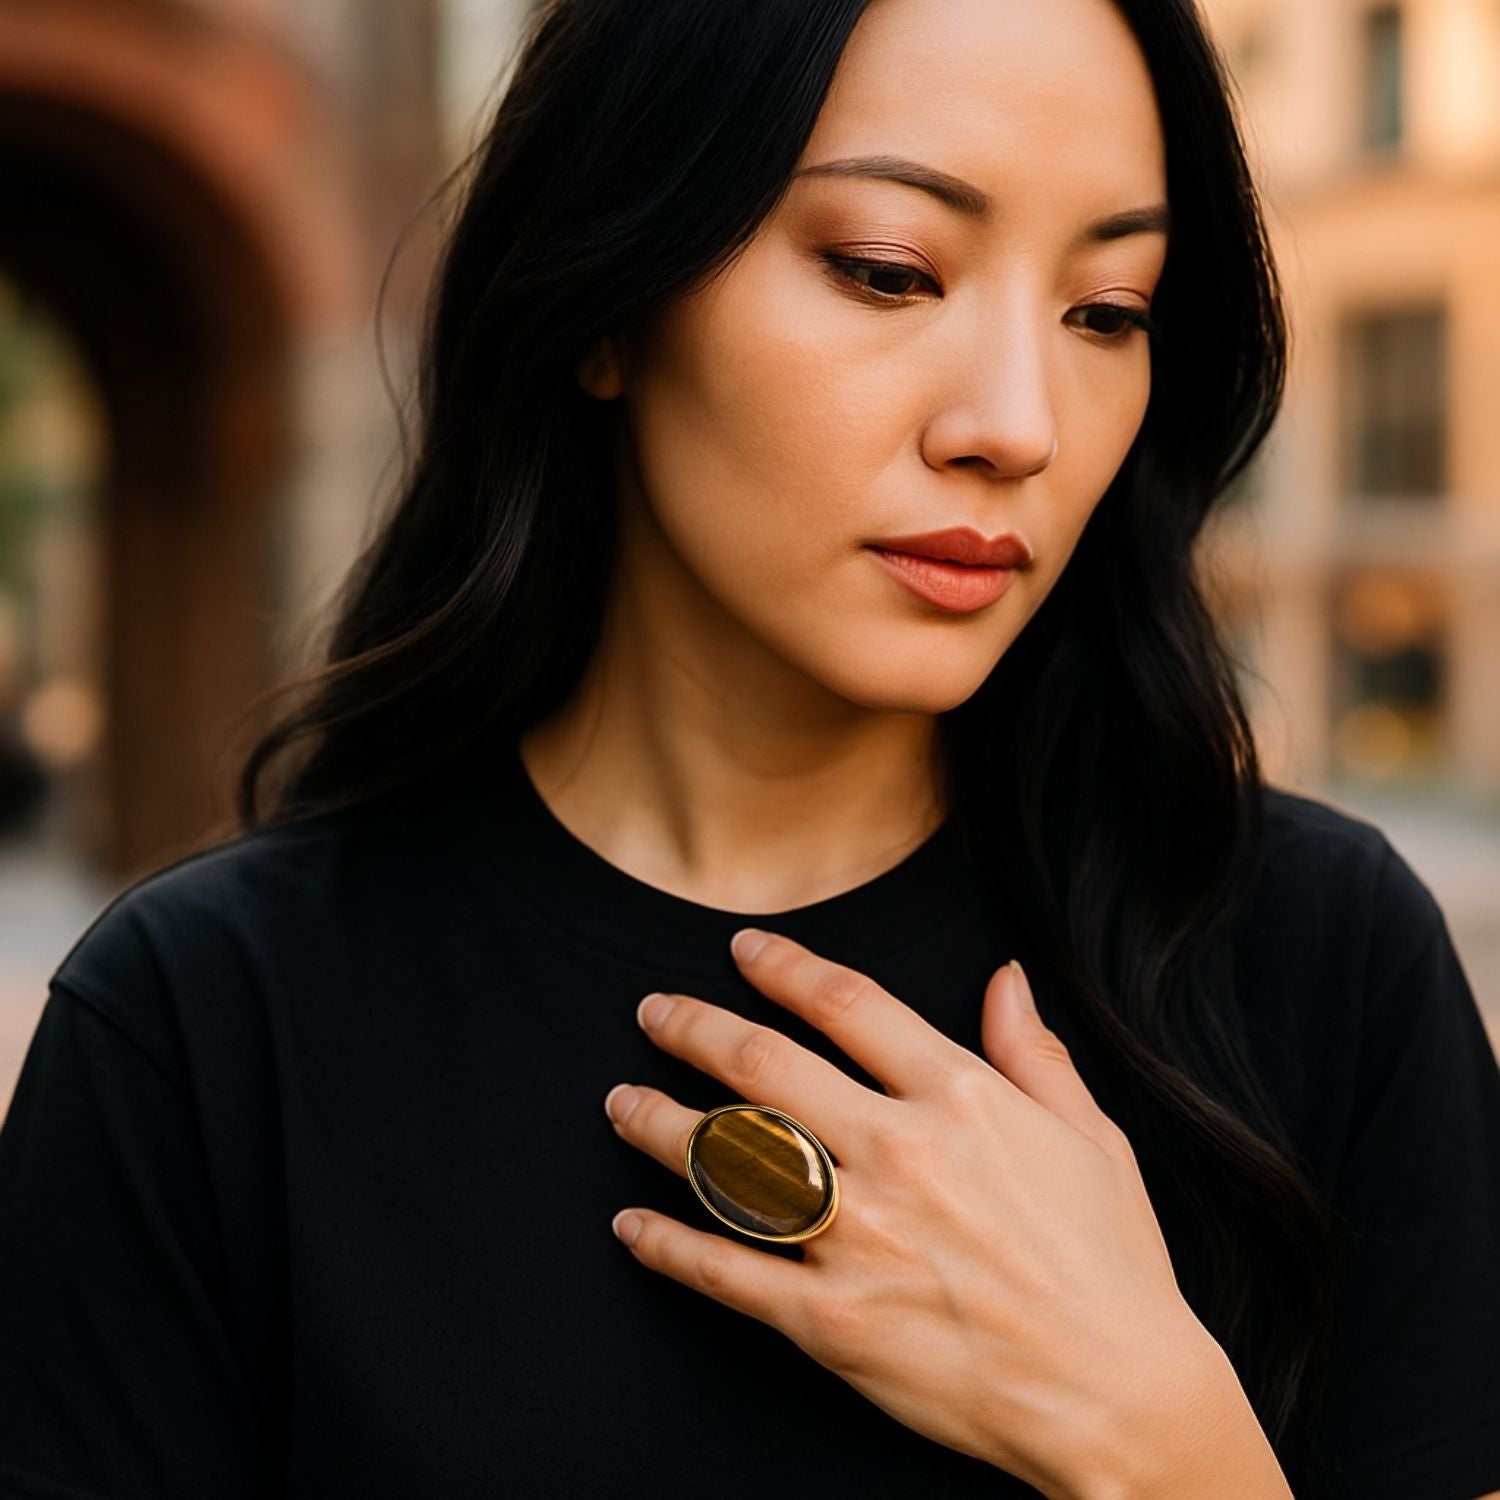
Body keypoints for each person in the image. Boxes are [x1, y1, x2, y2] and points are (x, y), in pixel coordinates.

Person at [2, 0, 1498, 1495]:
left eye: (1107, 309)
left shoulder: (1323, 967)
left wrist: (1153, 1433)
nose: (1018, 424)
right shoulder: (203, 1031)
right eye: (889, 271)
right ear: (607, 297)